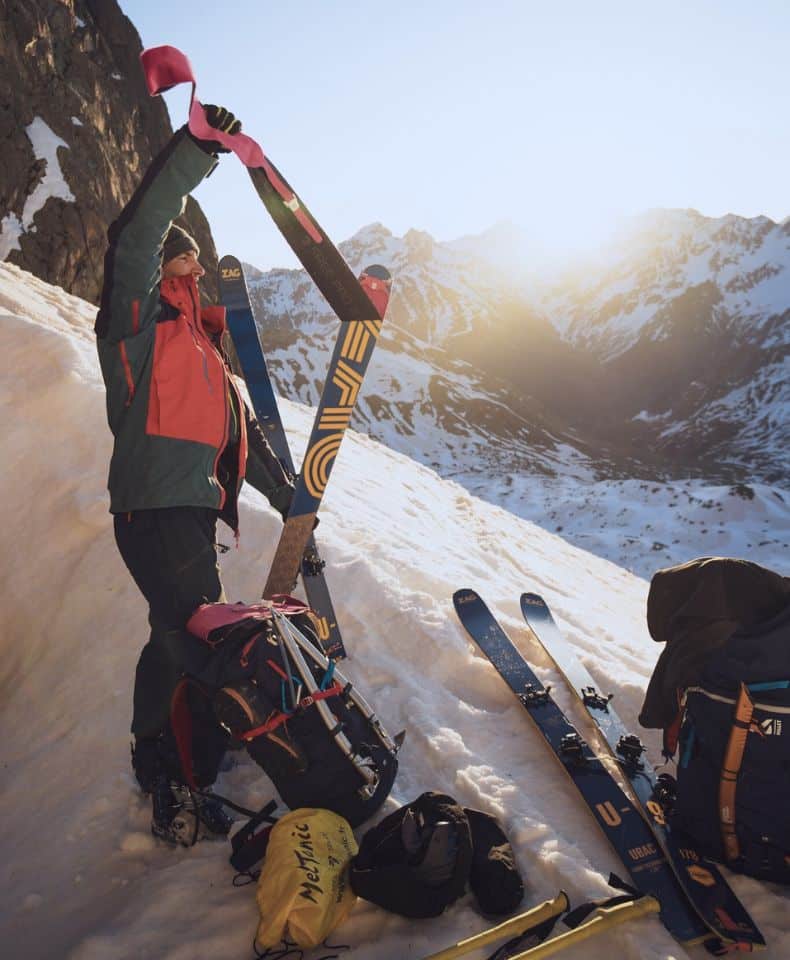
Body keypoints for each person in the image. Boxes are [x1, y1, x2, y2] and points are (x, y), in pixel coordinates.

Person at [95, 107, 294, 844]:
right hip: (155, 507)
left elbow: (234, 436)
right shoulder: (134, 325)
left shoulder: (200, 345)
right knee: (192, 635)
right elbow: (137, 232)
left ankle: (159, 757)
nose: (195, 267)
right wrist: (196, 150)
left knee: (172, 632)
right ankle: (183, 773)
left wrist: (288, 492)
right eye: (184, 258)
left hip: (183, 509)